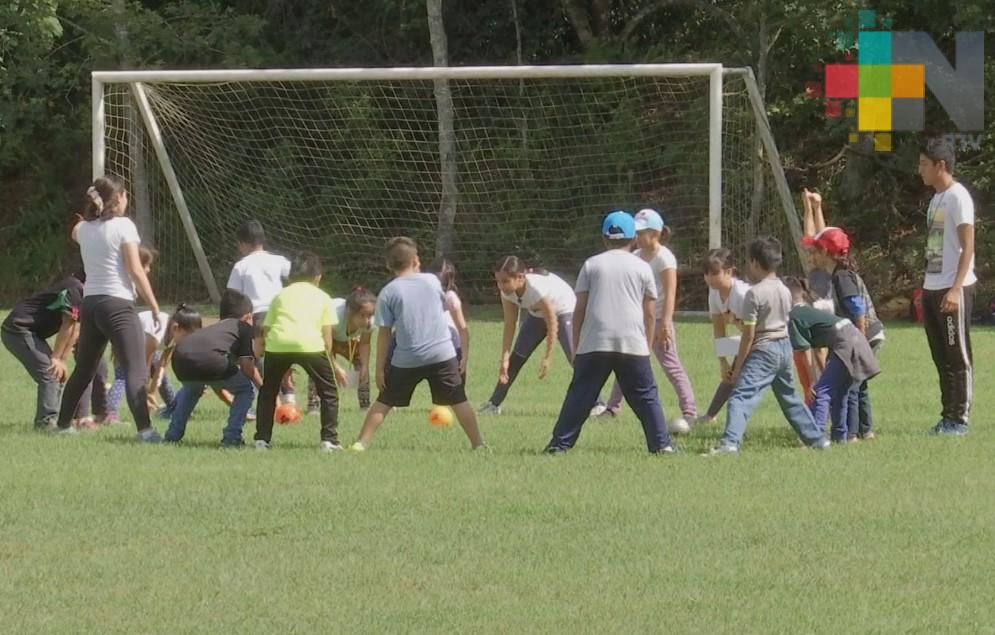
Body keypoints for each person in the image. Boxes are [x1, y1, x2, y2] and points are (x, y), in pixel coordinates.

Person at [544, 210, 675, 454]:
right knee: (646, 396)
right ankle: (662, 445)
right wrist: (645, 345)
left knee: (580, 396)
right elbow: (649, 312)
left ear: (604, 238)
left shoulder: (591, 264)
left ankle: (559, 445)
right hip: (632, 343)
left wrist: (576, 346)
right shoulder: (643, 267)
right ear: (633, 239)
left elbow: (579, 308)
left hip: (595, 342)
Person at [55, 176, 164, 442]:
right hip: (117, 304)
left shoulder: (84, 229)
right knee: (136, 368)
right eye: (125, 195)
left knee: (84, 369)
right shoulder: (124, 226)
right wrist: (153, 304)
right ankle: (145, 431)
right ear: (117, 199)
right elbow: (135, 269)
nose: (127, 200)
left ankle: (63, 426)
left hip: (90, 304)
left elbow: (76, 228)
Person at [351, 237, 485, 451]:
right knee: (459, 400)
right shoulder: (433, 281)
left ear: (388, 265)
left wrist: (379, 369)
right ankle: (478, 444)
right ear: (416, 260)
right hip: (442, 354)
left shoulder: (388, 292)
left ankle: (361, 443)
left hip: (406, 359)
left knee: (384, 401)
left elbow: (384, 334)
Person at [706, 237, 829, 455]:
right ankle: (818, 440)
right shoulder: (783, 288)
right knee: (790, 398)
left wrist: (740, 366)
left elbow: (749, 333)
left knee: (740, 396)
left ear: (754, 263)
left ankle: (729, 444)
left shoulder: (754, 293)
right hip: (784, 347)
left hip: (764, 349)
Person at [594, 208, 697, 431]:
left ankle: (689, 411)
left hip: (658, 321)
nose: (637, 237)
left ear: (656, 234)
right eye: (636, 233)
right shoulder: (636, 257)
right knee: (627, 362)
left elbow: (670, 293)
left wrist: (666, 324)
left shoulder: (665, 258)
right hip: (637, 321)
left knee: (671, 365)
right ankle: (613, 407)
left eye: (641, 232)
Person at [802, 226, 885, 440]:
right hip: (865, 334)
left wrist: (859, 340)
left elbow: (858, 309)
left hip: (862, 335)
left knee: (849, 386)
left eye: (816, 250)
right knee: (859, 384)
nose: (813, 255)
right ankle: (866, 430)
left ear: (827, 253)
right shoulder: (838, 274)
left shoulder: (842, 277)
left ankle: (852, 433)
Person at [917, 137, 977, 436]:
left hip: (954, 287)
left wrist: (955, 289)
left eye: (924, 164)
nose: (920, 171)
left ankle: (959, 419)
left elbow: (968, 247)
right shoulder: (935, 199)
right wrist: (926, 288)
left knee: (957, 355)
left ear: (941, 165)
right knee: (940, 356)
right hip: (932, 287)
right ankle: (946, 417)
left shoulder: (958, 196)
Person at [254, 253, 343, 451]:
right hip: (311, 346)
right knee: (329, 392)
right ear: (318, 276)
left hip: (278, 345)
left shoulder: (280, 295)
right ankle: (329, 440)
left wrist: (274, 352)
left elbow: (267, 329)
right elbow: (327, 336)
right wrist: (327, 359)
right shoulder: (323, 297)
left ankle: (261, 440)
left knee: (268, 392)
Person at [784, 277, 880, 443]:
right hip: (855, 338)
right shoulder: (807, 312)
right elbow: (817, 348)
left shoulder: (795, 316)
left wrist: (813, 381)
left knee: (821, 392)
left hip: (846, 343)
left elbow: (804, 350)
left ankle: (815, 437)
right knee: (840, 393)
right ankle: (839, 437)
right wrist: (821, 373)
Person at [479, 256, 576, 415]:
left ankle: (597, 403)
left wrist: (547, 357)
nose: (501, 286)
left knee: (574, 357)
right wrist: (504, 358)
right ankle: (493, 404)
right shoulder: (507, 293)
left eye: (505, 281)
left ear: (520, 278)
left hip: (563, 309)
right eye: (498, 281)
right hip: (536, 313)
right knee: (515, 360)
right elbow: (510, 325)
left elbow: (552, 323)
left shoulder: (537, 289)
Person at [166, 291, 261, 446]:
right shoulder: (243, 327)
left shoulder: (216, 328)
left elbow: (216, 380)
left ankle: (172, 435)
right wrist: (263, 389)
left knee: (192, 389)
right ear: (248, 317)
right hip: (210, 363)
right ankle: (232, 436)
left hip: (180, 360)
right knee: (245, 389)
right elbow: (247, 366)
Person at [1, 270, 85, 429]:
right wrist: (56, 358)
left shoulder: (84, 291)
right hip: (18, 329)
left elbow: (76, 328)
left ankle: (56, 419)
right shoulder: (76, 288)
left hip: (32, 333)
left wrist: (63, 360)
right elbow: (67, 324)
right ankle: (46, 423)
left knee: (57, 373)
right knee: (50, 373)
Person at [102, 247, 174, 424]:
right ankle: (110, 413)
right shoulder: (158, 328)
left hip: (135, 336)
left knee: (161, 374)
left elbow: (162, 363)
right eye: (147, 265)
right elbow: (145, 360)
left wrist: (152, 389)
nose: (149, 270)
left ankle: (174, 406)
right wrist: (145, 388)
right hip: (129, 337)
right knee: (123, 375)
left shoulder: (171, 332)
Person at [226, 219, 293, 402]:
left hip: (255, 317)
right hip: (280, 315)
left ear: (242, 244)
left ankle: (261, 395)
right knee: (282, 355)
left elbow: (233, 296)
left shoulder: (241, 266)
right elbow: (298, 276)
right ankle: (289, 398)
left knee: (251, 358)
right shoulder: (278, 260)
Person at [697, 248, 751, 424]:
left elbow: (754, 332)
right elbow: (719, 330)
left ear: (729, 271)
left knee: (739, 377)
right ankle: (710, 416)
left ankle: (714, 418)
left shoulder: (742, 295)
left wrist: (737, 365)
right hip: (749, 338)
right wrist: (723, 362)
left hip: (766, 339)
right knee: (731, 375)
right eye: (706, 274)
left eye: (714, 273)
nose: (708, 278)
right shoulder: (714, 293)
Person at [307, 287, 377, 413]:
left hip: (344, 338)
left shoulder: (370, 322)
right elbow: (323, 347)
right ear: (350, 311)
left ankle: (365, 405)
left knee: (361, 366)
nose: (367, 320)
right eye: (362, 315)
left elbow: (365, 344)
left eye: (370, 315)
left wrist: (365, 366)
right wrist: (336, 368)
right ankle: (314, 405)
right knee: (318, 364)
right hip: (322, 337)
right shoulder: (334, 315)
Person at [429, 257, 470, 382]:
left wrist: (464, 356)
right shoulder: (426, 295)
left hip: (448, 341)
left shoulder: (450, 297)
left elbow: (462, 329)